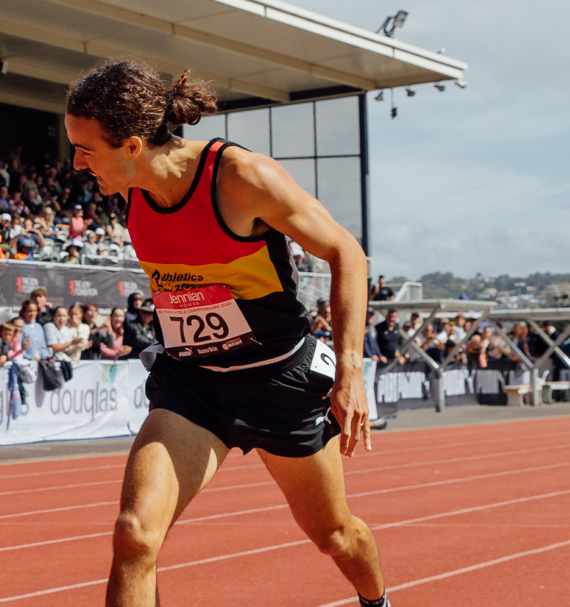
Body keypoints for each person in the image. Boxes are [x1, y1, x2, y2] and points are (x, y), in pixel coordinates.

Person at [65, 59, 387, 606]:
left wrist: (350, 371)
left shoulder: (240, 178)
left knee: (334, 536)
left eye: (86, 149)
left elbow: (346, 253)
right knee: (135, 534)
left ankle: (377, 602)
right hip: (192, 385)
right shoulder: (130, 188)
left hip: (277, 382)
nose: (76, 164)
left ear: (133, 145)